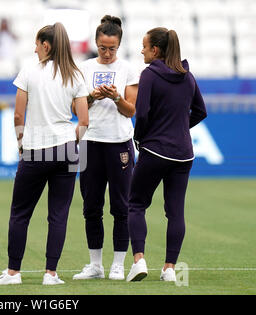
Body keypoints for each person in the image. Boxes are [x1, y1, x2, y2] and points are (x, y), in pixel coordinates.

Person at [0, 22, 89, 286]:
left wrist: (22, 143)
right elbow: (84, 121)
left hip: (35, 149)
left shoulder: (30, 71)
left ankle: (13, 273)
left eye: (36, 44)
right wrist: (69, 142)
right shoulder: (75, 75)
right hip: (67, 149)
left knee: (20, 213)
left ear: (46, 45)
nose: (34, 49)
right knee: (58, 214)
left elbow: (18, 114)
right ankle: (50, 274)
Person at [126, 27, 207, 282]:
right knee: (175, 212)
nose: (142, 50)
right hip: (183, 154)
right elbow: (200, 111)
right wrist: (180, 127)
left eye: (145, 46)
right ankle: (169, 268)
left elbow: (143, 114)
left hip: (154, 150)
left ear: (156, 50)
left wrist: (140, 138)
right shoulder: (188, 76)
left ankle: (139, 260)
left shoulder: (149, 75)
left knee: (136, 204)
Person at [72, 15, 139, 281]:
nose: (107, 53)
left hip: (119, 142)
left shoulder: (129, 70)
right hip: (90, 141)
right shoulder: (84, 69)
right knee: (91, 205)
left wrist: (115, 97)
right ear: (96, 43)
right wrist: (91, 97)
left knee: (121, 206)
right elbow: (73, 108)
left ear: (119, 44)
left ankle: (118, 264)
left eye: (112, 48)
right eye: (103, 47)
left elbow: (130, 110)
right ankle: (95, 264)